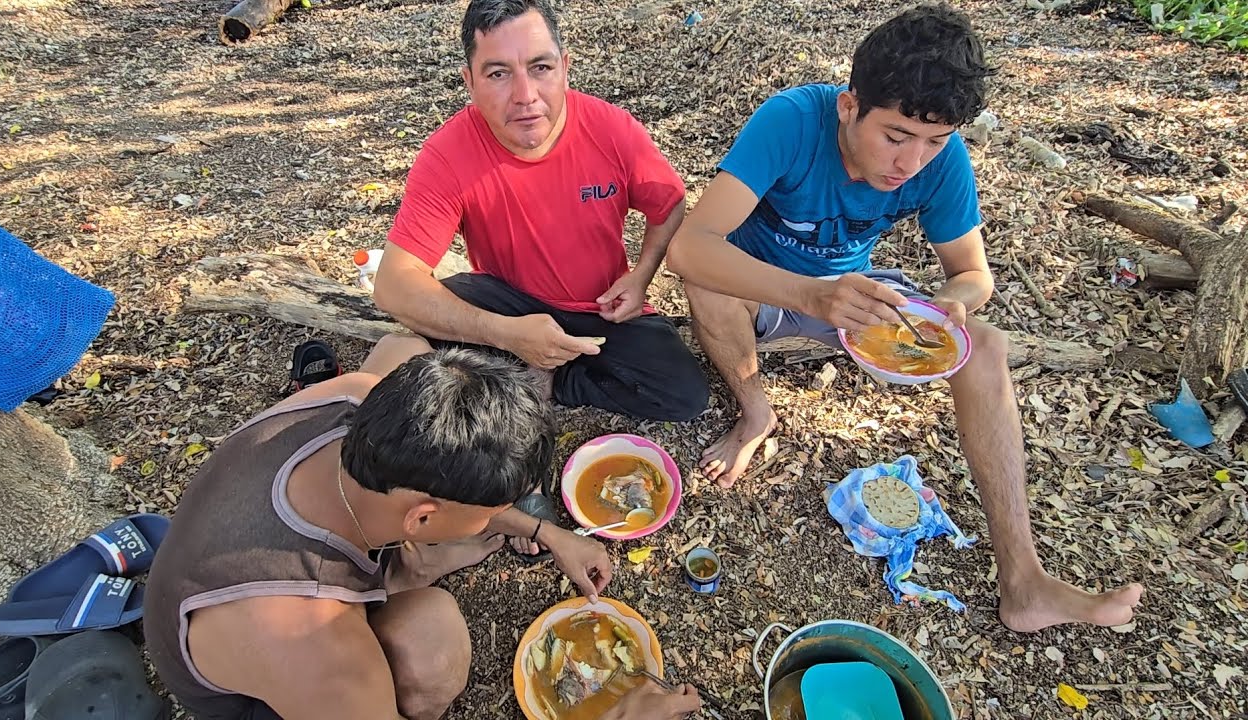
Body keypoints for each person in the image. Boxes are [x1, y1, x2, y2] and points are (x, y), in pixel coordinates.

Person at [665, 4, 1143, 632]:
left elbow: (973, 274)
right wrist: (811, 296)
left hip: (862, 297)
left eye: (933, 142)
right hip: (765, 286)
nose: (911, 162)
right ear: (849, 106)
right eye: (895, 136)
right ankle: (756, 413)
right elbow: (690, 248)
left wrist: (954, 303)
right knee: (706, 286)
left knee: (987, 347)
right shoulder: (790, 121)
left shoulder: (941, 158)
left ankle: (1025, 582)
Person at [143, 336, 702, 720]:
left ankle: (411, 567)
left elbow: (442, 490)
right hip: (274, 698)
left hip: (282, 571)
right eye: (489, 512)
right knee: (432, 642)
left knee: (400, 347)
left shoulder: (355, 399)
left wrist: (548, 535)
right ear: (422, 518)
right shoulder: (312, 643)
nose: (499, 522)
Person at [372, 0, 709, 425]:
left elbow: (670, 203)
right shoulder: (447, 154)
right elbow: (393, 285)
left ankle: (553, 380)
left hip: (599, 308)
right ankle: (514, 367)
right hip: (508, 305)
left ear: (565, 67)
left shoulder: (612, 129)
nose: (525, 96)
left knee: (684, 395)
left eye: (540, 68)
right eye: (498, 74)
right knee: (429, 325)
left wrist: (641, 277)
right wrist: (504, 333)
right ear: (469, 81)